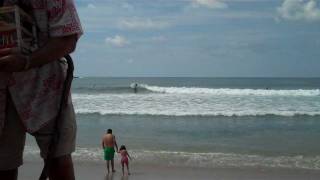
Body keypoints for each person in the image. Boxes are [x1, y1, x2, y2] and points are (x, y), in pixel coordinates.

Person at [0, 0, 82, 179]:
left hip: (46, 86)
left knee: (58, 161)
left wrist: (27, 62)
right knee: (3, 166)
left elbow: (68, 39)